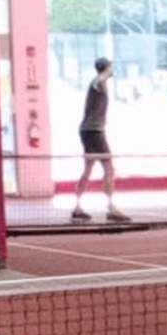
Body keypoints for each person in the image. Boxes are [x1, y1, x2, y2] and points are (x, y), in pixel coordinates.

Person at [72, 58, 118, 223]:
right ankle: (111, 207)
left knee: (89, 168)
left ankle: (77, 207)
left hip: (88, 130)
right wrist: (105, 74)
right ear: (106, 68)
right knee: (109, 167)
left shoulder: (99, 84)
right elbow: (99, 79)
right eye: (110, 67)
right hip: (94, 131)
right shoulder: (97, 82)